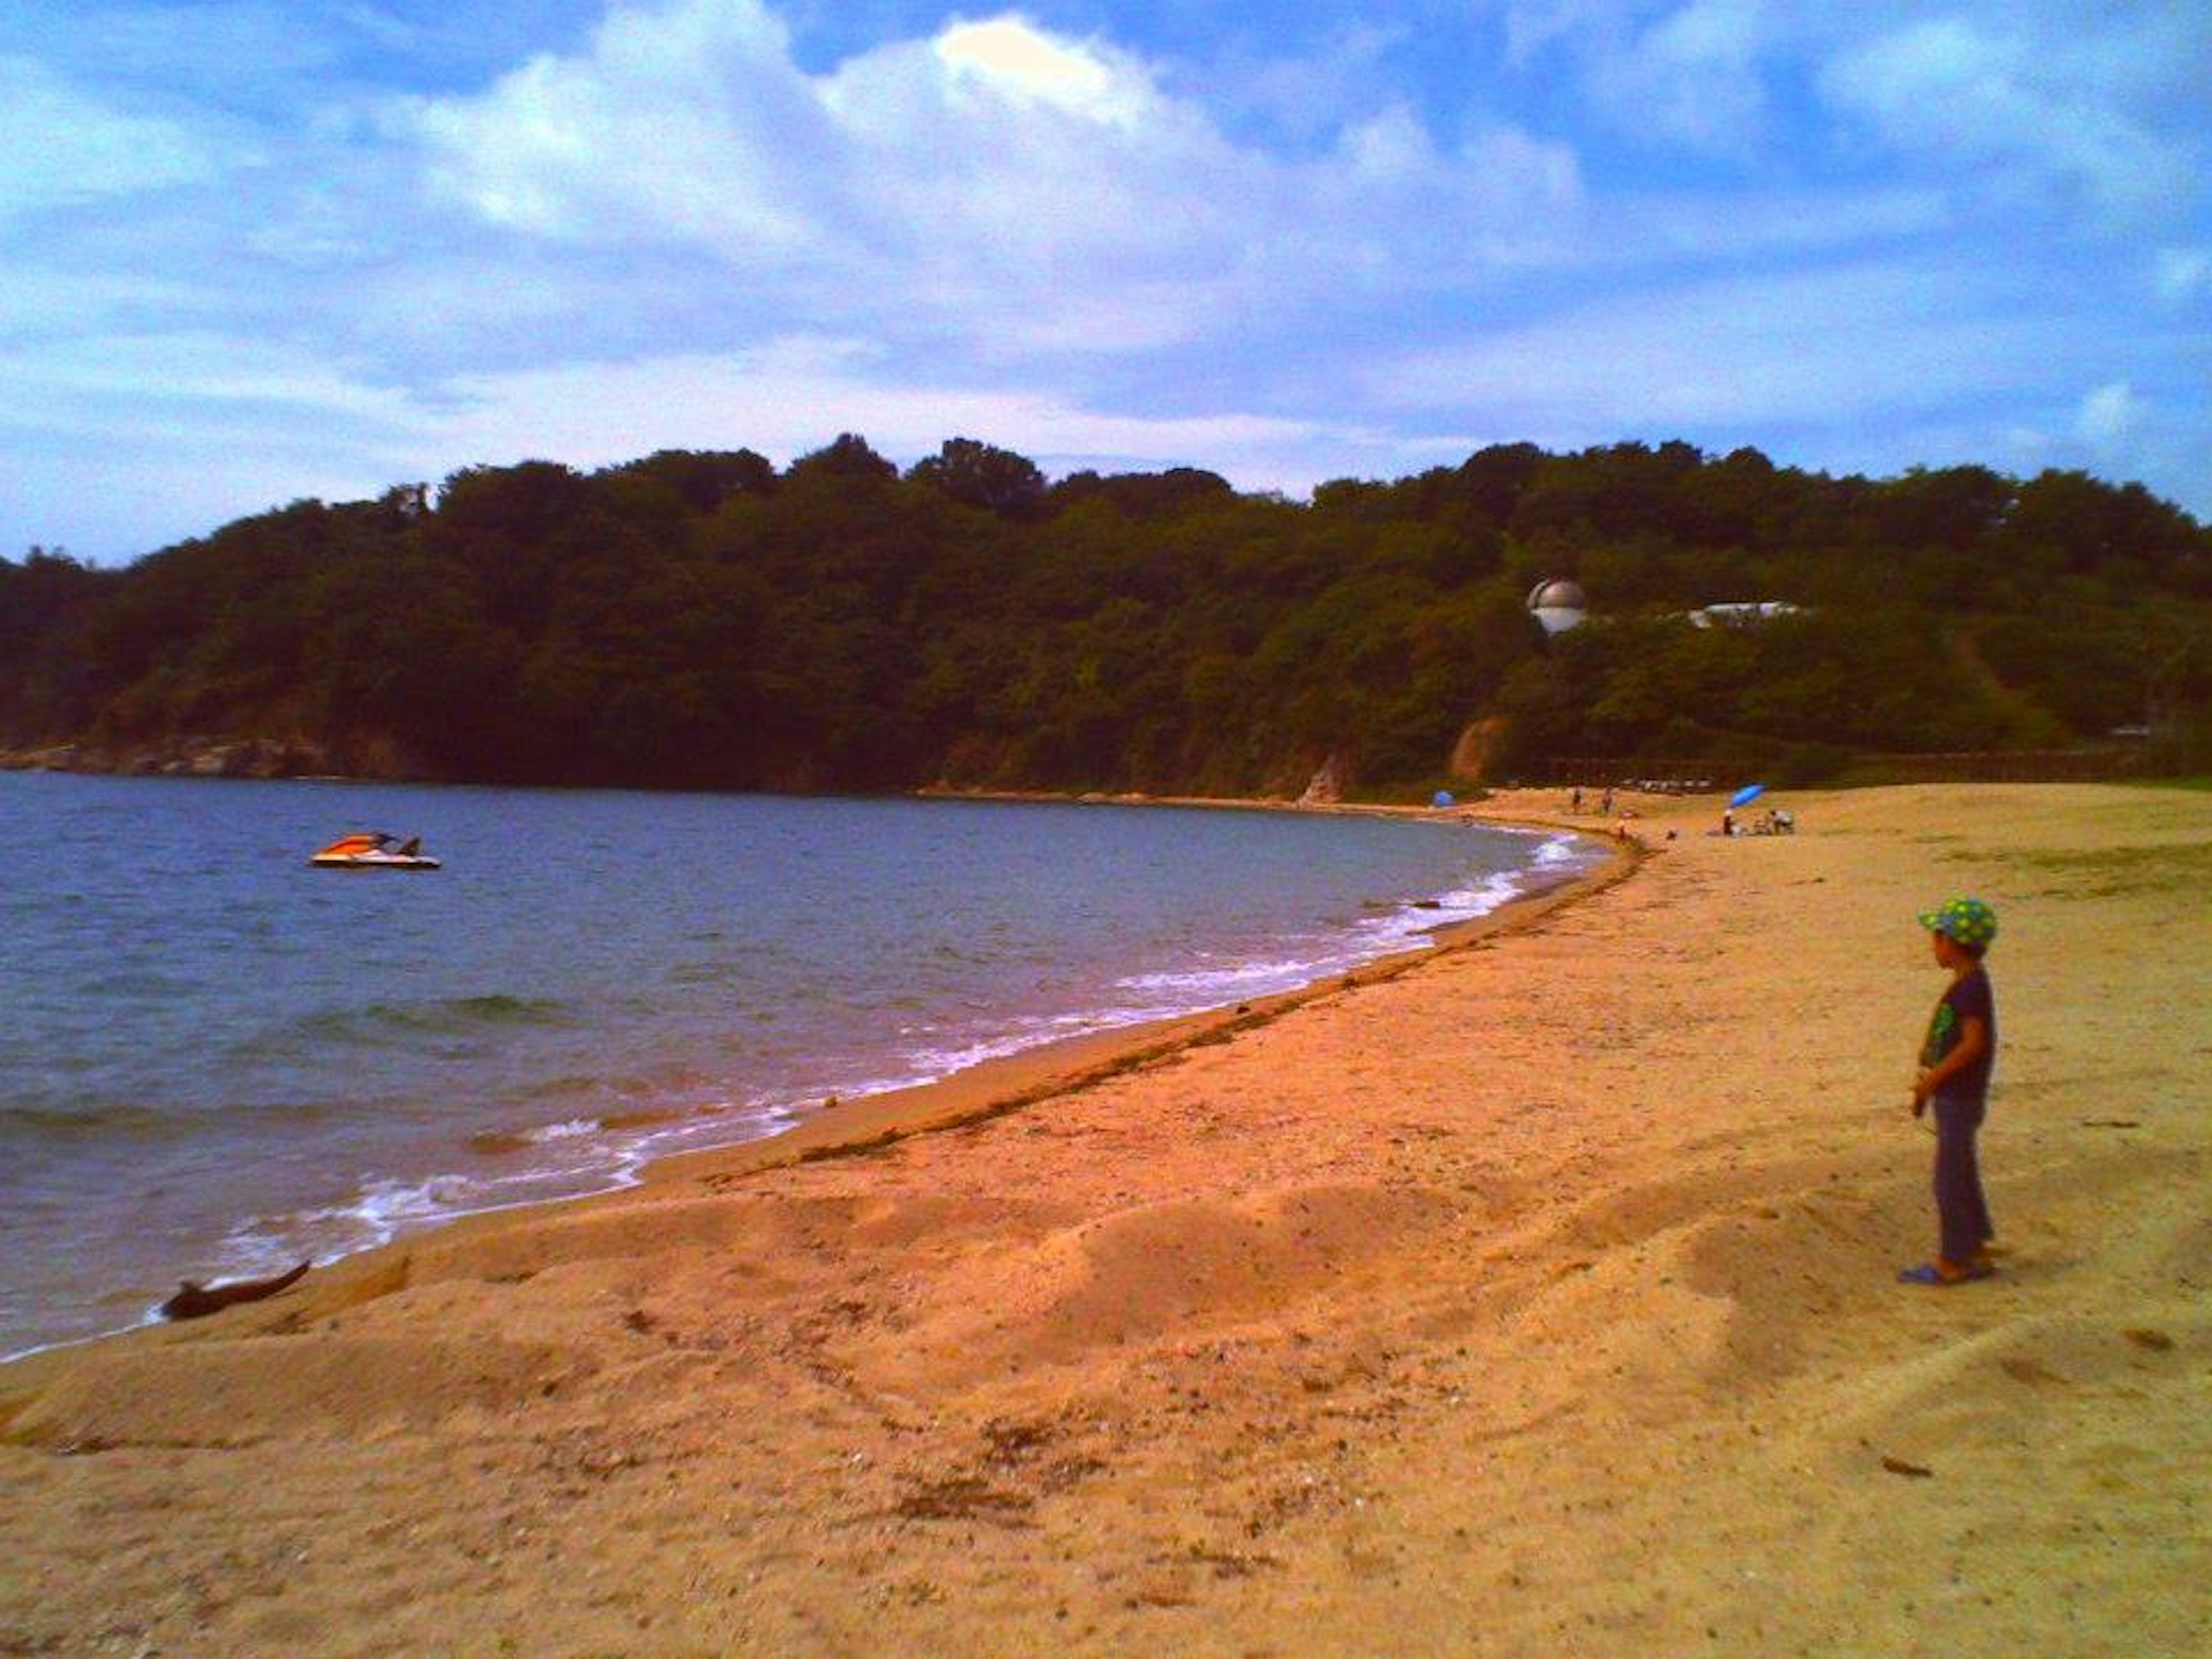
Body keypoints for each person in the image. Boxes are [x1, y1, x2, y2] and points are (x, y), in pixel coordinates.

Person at [1902, 897, 2000, 1286]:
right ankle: (1975, 1248)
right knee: (1961, 1170)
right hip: (1954, 1094)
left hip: (1958, 1095)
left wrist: (1932, 1080)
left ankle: (1952, 1261)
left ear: (1952, 942)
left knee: (1949, 1178)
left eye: (1936, 938)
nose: (1932, 945)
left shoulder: (1971, 987)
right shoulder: (1968, 983)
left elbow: (1973, 1044)